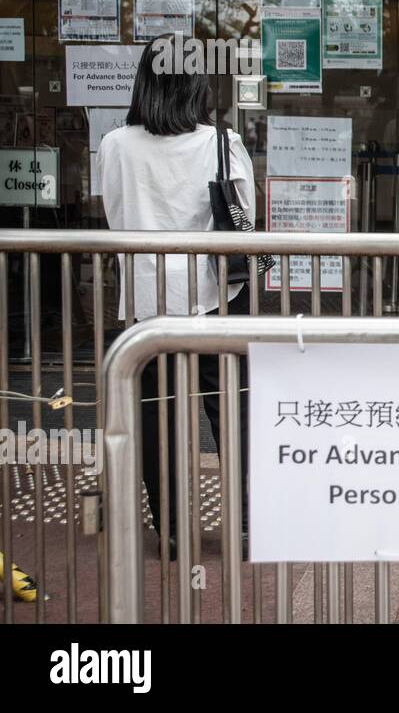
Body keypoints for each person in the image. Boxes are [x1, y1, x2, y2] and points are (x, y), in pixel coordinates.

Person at [98, 35, 257, 559]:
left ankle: (169, 528)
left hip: (143, 306)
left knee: (155, 414)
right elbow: (245, 223)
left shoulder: (116, 144)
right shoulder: (221, 143)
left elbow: (115, 217)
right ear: (197, 81)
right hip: (211, 301)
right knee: (233, 411)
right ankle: (246, 522)